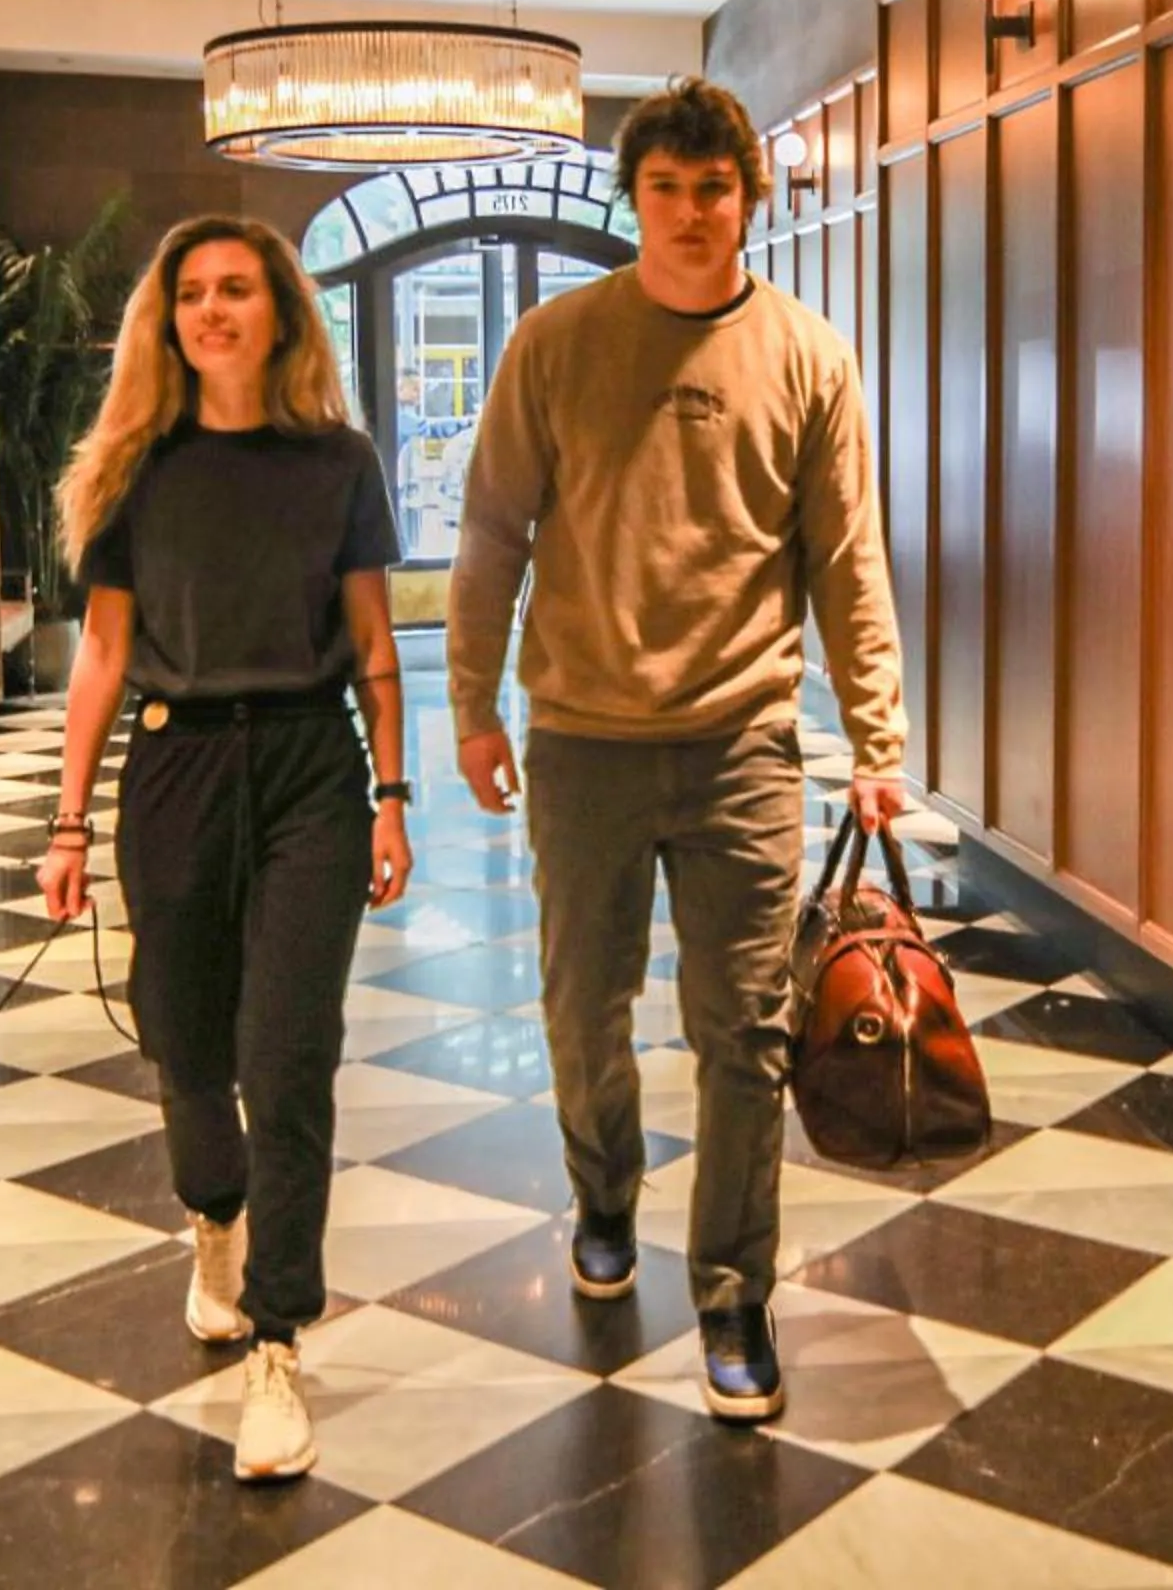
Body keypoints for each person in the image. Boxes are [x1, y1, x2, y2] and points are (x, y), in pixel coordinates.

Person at [445, 78, 909, 1422]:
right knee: (582, 1007)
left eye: (715, 189)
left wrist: (876, 732)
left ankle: (734, 1292)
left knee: (744, 1032)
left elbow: (847, 557)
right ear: (634, 198)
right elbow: (491, 532)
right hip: (582, 740)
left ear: (748, 200)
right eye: (668, 188)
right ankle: (604, 1195)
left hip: (743, 742)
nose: (693, 212)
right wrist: (472, 704)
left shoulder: (809, 355)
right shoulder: (556, 344)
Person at [35, 215, 412, 1483]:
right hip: (176, 768)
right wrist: (67, 820)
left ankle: (279, 1339)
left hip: (311, 769)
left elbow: (374, 641)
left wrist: (394, 793)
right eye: (191, 291)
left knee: (288, 1057)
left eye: (236, 288)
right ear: (169, 318)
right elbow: (101, 653)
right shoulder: (136, 467)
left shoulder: (339, 461)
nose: (211, 309)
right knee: (186, 1043)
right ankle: (216, 1213)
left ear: (281, 311)